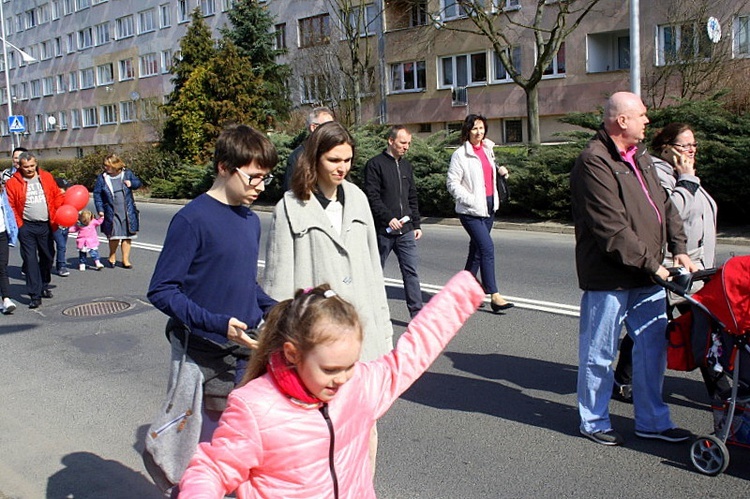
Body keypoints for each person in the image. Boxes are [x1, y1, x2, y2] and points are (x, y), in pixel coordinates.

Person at [178, 271, 484, 498]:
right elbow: (213, 469)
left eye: (350, 365)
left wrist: (460, 295)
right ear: (293, 355)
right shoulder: (255, 408)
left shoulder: (358, 384)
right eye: (330, 369)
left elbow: (412, 353)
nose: (342, 378)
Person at [147, 124, 278, 491]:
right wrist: (217, 324)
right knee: (206, 461)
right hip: (206, 360)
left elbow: (243, 284)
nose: (261, 187)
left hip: (245, 355)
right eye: (254, 177)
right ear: (224, 167)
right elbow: (162, 290)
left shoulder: (250, 221)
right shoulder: (192, 219)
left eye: (266, 178)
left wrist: (277, 309)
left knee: (244, 456)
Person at [264, 121, 394, 472]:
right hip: (316, 345)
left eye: (348, 160)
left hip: (360, 339)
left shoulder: (359, 200)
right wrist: (279, 348)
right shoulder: (290, 206)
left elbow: (372, 270)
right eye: (334, 159)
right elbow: (277, 286)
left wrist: (384, 334)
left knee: (365, 432)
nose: (342, 168)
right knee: (321, 439)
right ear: (315, 158)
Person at [570, 91, 697, 446]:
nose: (647, 121)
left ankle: (652, 422)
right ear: (621, 121)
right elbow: (611, 228)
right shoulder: (593, 162)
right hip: (610, 278)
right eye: (641, 115)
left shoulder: (640, 155)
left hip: (647, 276)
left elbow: (664, 206)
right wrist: (654, 265)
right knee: (600, 353)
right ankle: (593, 421)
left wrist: (680, 248)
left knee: (652, 351)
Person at [613, 123, 719, 402]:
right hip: (669, 268)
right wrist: (686, 180)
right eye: (685, 145)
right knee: (660, 326)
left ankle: (624, 380)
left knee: (675, 327)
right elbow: (669, 217)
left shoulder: (684, 174)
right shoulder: (658, 174)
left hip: (694, 268)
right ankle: (721, 392)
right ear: (666, 148)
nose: (691, 151)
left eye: (694, 145)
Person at [446, 114, 514, 313]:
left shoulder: (487, 149)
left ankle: (461, 293)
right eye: (475, 128)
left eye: (482, 128)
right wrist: (470, 199)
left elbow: (487, 170)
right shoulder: (460, 154)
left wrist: (499, 170)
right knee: (487, 248)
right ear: (467, 131)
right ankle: (494, 295)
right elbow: (452, 184)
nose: (479, 132)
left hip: (489, 206)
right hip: (471, 210)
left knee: (476, 252)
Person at [364, 125, 424, 318]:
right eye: (403, 143)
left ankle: (417, 316)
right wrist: (388, 218)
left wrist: (416, 224)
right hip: (383, 230)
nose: (406, 147)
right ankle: (368, 312)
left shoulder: (406, 166)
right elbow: (372, 197)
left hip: (405, 230)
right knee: (374, 273)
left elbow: (411, 196)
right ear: (391, 141)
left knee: (411, 273)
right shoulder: (375, 165)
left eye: (409, 143)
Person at [4, 152, 63, 309]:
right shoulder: (13, 182)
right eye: (26, 167)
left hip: (46, 225)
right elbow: (11, 206)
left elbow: (56, 196)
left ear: (36, 164)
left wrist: (58, 213)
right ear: (20, 166)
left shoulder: (46, 177)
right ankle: (34, 295)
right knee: (30, 261)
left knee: (48, 256)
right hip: (27, 227)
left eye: (32, 166)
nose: (29, 169)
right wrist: (19, 225)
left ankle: (44, 284)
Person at [93, 154, 142, 269]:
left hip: (127, 210)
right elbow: (97, 194)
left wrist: (132, 183)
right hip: (111, 210)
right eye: (105, 165)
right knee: (114, 235)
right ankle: (112, 255)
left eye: (108, 165)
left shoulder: (127, 174)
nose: (105, 168)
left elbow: (138, 183)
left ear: (115, 165)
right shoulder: (103, 177)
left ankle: (125, 259)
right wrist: (100, 209)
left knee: (127, 235)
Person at [283, 106, 334, 191]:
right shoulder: (298, 157)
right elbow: (291, 192)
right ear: (313, 127)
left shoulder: (335, 152)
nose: (332, 131)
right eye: (328, 126)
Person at [0, 178, 18, 314]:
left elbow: (8, 211)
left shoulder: (2, 193)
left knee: (2, 267)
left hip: (2, 234)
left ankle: (6, 299)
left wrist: (13, 230)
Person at [52, 178, 72, 277]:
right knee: (60, 246)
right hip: (54, 225)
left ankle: (60, 266)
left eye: (65, 188)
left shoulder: (68, 198)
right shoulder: (53, 198)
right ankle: (60, 266)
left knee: (62, 246)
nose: (64, 190)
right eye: (61, 188)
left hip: (65, 225)